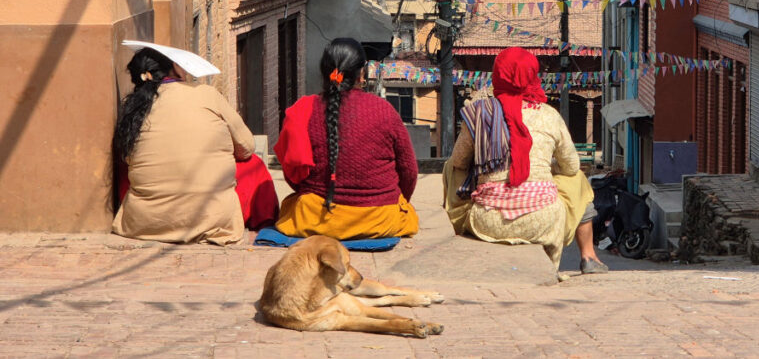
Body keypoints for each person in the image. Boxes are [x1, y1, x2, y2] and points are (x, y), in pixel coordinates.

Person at [443, 47, 608, 274]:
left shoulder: (479, 112)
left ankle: (457, 218)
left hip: (489, 220)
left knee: (449, 167)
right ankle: (589, 256)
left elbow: (459, 162)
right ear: (533, 75)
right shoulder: (549, 115)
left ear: (498, 74)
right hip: (544, 220)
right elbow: (571, 166)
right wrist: (545, 170)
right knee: (578, 178)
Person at [111, 46, 278, 245]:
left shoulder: (132, 108)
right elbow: (247, 147)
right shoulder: (207, 94)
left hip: (143, 222)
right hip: (211, 218)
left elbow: (128, 158)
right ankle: (262, 228)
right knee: (254, 165)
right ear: (175, 68)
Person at [274, 38, 420, 240]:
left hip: (314, 218)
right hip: (379, 219)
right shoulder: (384, 109)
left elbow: (292, 171)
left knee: (291, 205)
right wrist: (395, 200)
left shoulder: (303, 109)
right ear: (361, 73)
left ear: (325, 72)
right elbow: (409, 171)